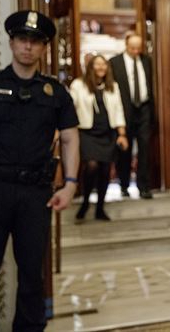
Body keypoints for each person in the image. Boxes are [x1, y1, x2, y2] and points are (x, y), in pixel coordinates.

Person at [0, 10, 80, 330]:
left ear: (44, 48)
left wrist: (70, 184)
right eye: (22, 39)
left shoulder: (55, 92)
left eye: (35, 42)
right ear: (12, 42)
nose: (27, 47)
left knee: (32, 274)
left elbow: (70, 138)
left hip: (35, 194)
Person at [70, 55, 128, 221]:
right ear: (90, 67)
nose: (101, 67)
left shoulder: (112, 86)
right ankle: (86, 202)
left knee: (104, 170)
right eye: (97, 64)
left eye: (104, 64)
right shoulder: (78, 85)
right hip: (87, 133)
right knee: (91, 166)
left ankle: (100, 208)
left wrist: (122, 134)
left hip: (108, 134)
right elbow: (70, 106)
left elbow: (118, 110)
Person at [110, 32, 155, 199]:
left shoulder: (146, 60)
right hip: (125, 110)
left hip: (143, 108)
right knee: (124, 150)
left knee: (144, 148)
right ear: (126, 46)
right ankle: (124, 185)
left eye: (138, 48)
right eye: (132, 48)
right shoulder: (115, 63)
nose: (136, 51)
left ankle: (144, 187)